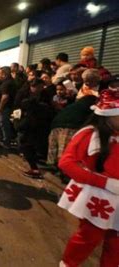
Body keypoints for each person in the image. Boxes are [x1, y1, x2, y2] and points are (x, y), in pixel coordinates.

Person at [57, 89, 119, 267]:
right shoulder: (90, 134)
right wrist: (106, 183)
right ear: (109, 115)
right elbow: (66, 164)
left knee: (115, 245)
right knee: (87, 239)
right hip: (99, 199)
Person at [0, 66, 16, 148]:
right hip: (3, 108)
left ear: (4, 74)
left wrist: (0, 106)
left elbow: (5, 97)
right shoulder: (5, 82)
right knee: (0, 123)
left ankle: (6, 142)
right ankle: (0, 139)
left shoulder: (7, 83)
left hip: (5, 108)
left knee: (4, 124)